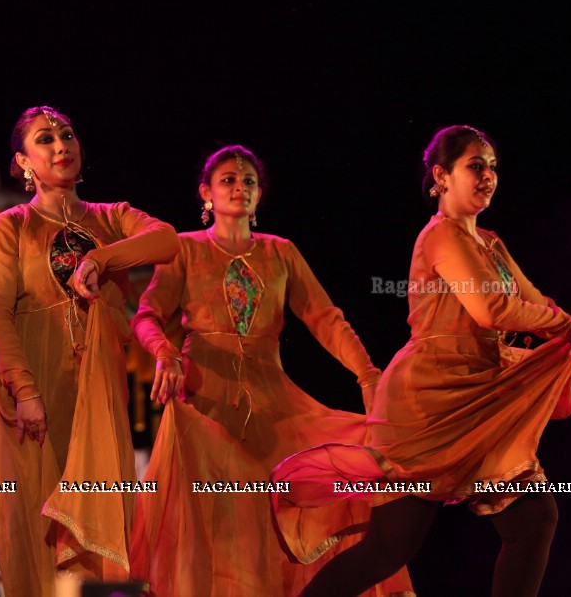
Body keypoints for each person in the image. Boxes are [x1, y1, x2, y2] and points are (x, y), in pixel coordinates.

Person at [272, 125, 571, 597]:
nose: (488, 175)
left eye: (493, 166)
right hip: (428, 403)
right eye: (475, 165)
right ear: (441, 176)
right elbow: (490, 309)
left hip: (479, 397)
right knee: (390, 548)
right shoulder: (441, 236)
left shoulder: (490, 242)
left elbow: (538, 303)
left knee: (534, 516)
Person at [129, 144, 412, 596]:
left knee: (287, 510)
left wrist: (368, 374)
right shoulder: (182, 249)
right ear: (206, 193)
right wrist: (164, 353)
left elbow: (325, 318)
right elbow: (146, 315)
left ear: (259, 195)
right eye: (228, 180)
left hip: (274, 404)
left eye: (249, 182)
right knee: (222, 527)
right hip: (205, 406)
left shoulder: (281, 253)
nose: (240, 187)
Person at [0, 105, 179, 596]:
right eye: (45, 139)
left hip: (97, 397)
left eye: (66, 135)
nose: (61, 146)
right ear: (23, 162)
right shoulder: (12, 226)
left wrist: (100, 257)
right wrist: (25, 390)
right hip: (28, 393)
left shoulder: (111, 218)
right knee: (33, 531)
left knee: (98, 530)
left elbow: (166, 240)